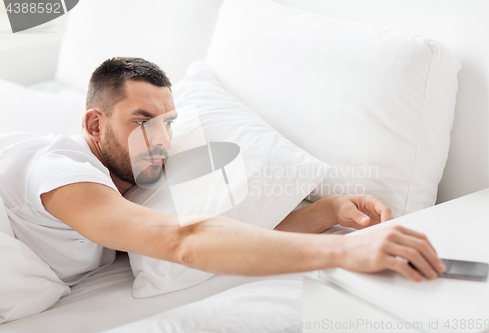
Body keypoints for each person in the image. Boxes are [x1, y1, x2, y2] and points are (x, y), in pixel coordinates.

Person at [0, 57, 446, 287]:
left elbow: (226, 238)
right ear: (95, 124)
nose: (160, 141)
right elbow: (184, 240)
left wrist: (327, 211)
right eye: (141, 121)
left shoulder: (124, 186)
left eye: (167, 124)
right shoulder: (62, 172)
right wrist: (344, 254)